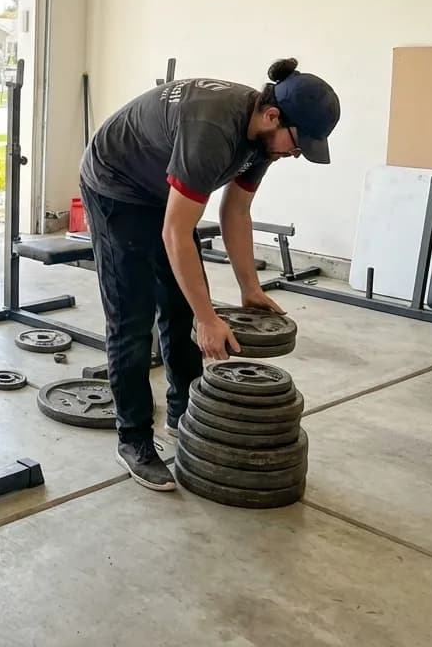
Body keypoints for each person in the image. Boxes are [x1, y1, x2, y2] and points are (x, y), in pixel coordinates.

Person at [77, 58, 340, 491]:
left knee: (182, 307)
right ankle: (134, 440)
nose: (296, 153)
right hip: (116, 186)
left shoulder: (264, 140)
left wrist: (249, 287)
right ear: (273, 116)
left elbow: (236, 210)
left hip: (161, 188)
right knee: (132, 317)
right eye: (298, 143)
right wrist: (208, 317)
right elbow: (176, 231)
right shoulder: (214, 130)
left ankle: (184, 415)